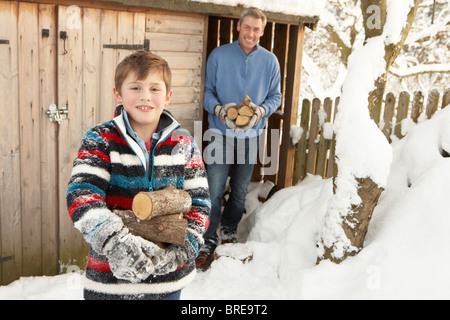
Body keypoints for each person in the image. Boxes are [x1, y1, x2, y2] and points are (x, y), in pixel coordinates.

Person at [66, 50, 210, 300]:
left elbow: (199, 201)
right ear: (118, 94)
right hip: (111, 283)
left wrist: (186, 245)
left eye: (155, 89)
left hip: (168, 283)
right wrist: (113, 241)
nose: (146, 97)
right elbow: (82, 195)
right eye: (135, 88)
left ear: (168, 96)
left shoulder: (183, 143)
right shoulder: (100, 139)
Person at [196, 7, 282, 270]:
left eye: (257, 29)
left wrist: (261, 110)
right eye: (247, 27)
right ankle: (208, 240)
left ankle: (229, 229)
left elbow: (275, 97)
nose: (251, 33)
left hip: (251, 136)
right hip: (220, 133)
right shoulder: (219, 55)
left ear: (262, 32)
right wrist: (219, 109)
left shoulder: (270, 61)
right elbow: (208, 92)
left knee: (240, 190)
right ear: (238, 27)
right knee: (213, 189)